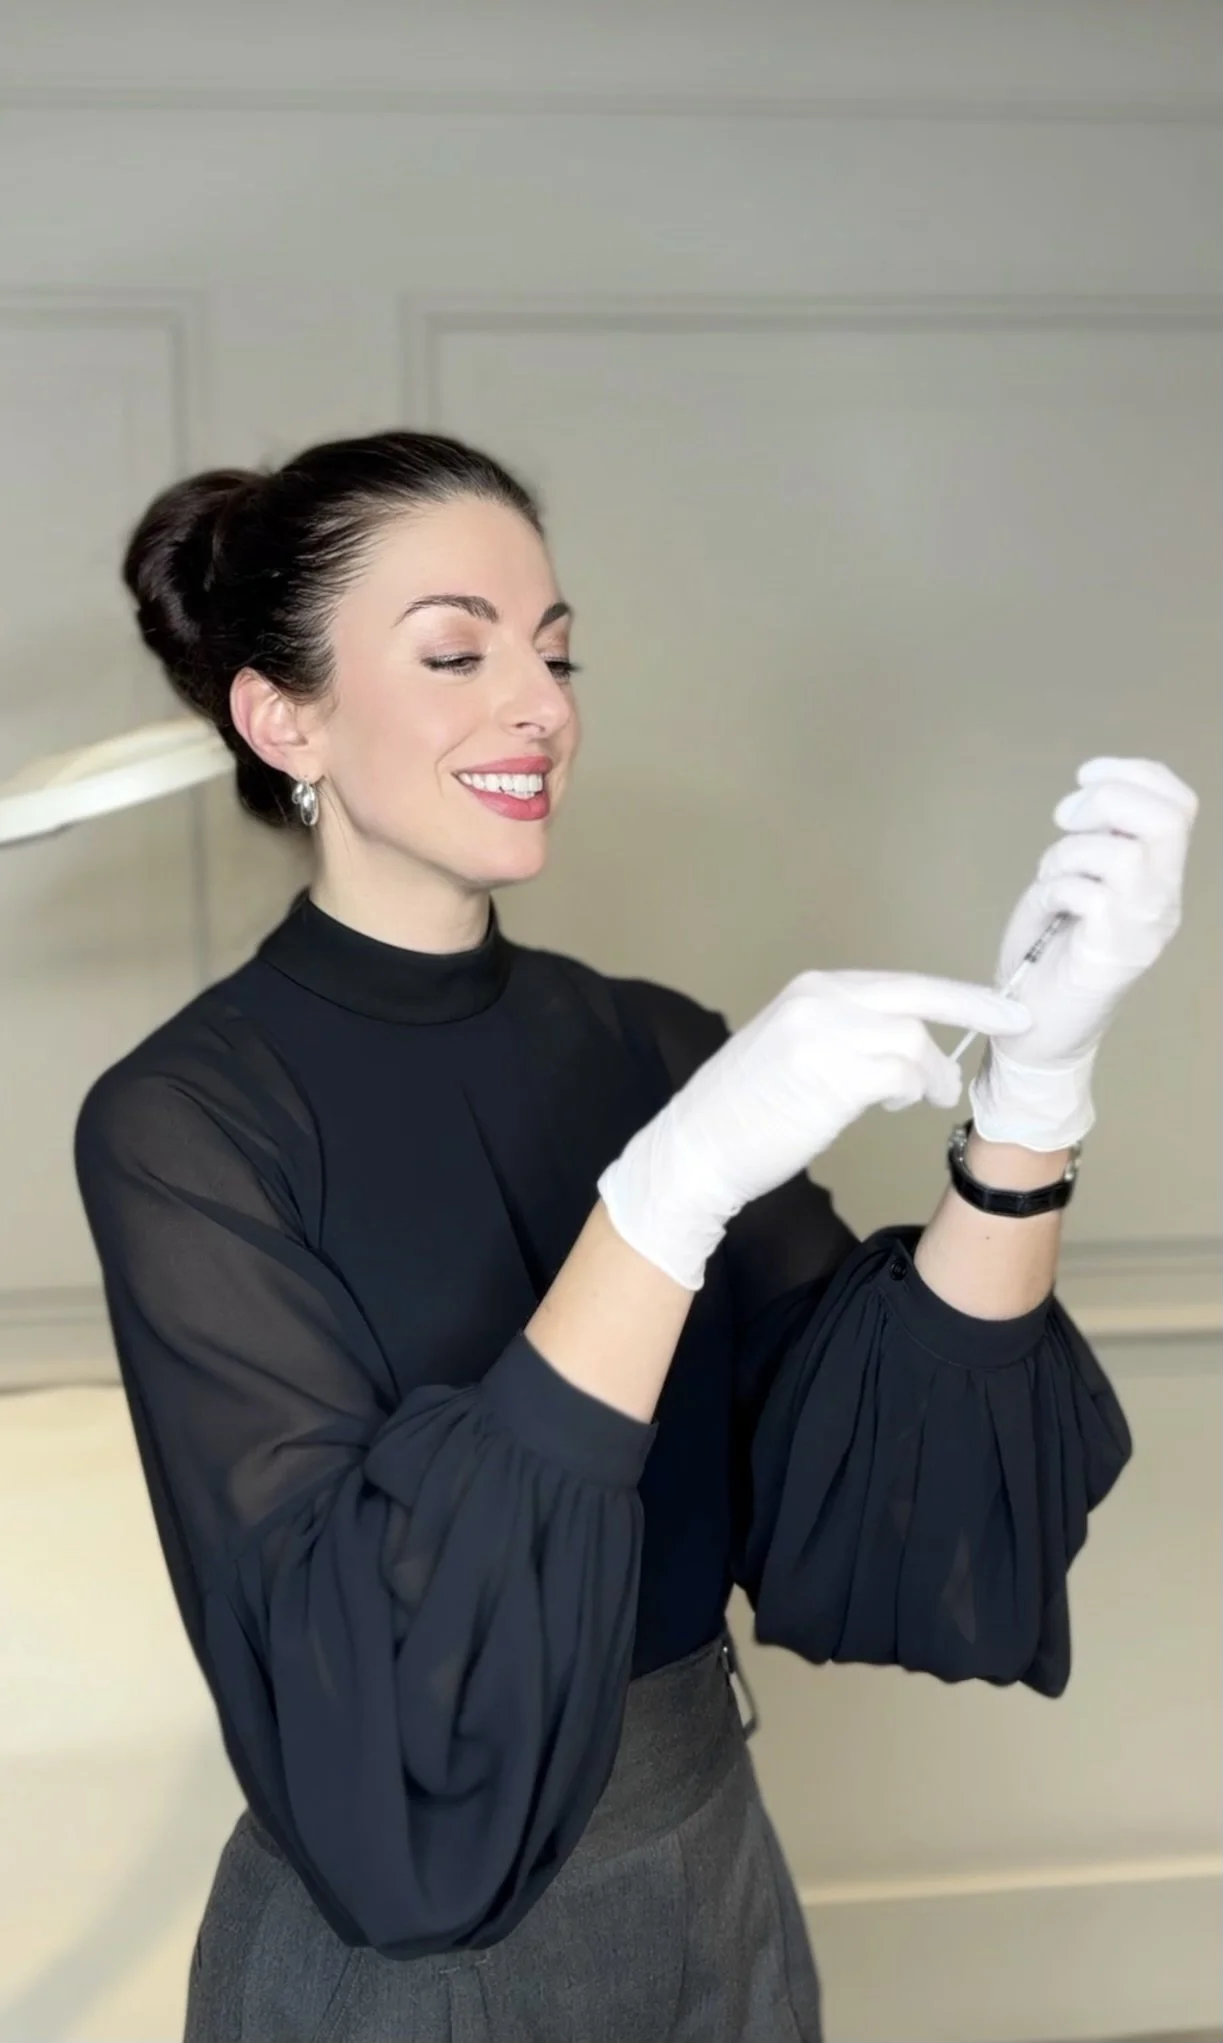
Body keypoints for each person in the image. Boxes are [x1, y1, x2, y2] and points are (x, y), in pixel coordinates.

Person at [73, 428, 1194, 2042]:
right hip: (416, 1958)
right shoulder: (187, 1120)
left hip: (708, 1878)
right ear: (280, 713)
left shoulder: (656, 1048)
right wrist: (661, 1199)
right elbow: (379, 1671)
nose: (537, 701)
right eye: (456, 651)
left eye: (554, 648)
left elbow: (888, 1480)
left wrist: (1041, 1078)